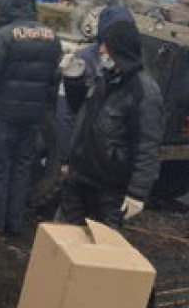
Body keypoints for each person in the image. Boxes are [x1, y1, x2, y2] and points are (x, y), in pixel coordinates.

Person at [0, 0, 62, 240]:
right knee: (22, 168)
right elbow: (55, 77)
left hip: (3, 113)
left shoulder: (4, 35)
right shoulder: (51, 36)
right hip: (34, 116)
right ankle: (14, 222)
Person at [61, 19, 163, 227]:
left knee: (98, 250)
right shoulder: (104, 78)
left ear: (120, 50)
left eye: (106, 45)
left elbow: (148, 146)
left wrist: (137, 193)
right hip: (80, 178)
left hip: (109, 190)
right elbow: (83, 113)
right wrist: (73, 81)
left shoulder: (143, 92)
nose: (101, 51)